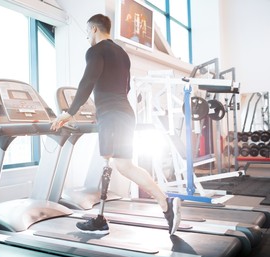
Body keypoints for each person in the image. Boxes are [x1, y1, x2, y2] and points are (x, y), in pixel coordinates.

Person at [50, 14, 181, 235]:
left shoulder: (96, 50)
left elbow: (88, 81)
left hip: (113, 115)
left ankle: (166, 203)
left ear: (93, 29)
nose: (87, 37)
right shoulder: (121, 53)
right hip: (123, 113)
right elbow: (125, 88)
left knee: (123, 165)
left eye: (87, 32)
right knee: (114, 162)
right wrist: (101, 113)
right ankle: (101, 218)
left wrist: (69, 113)